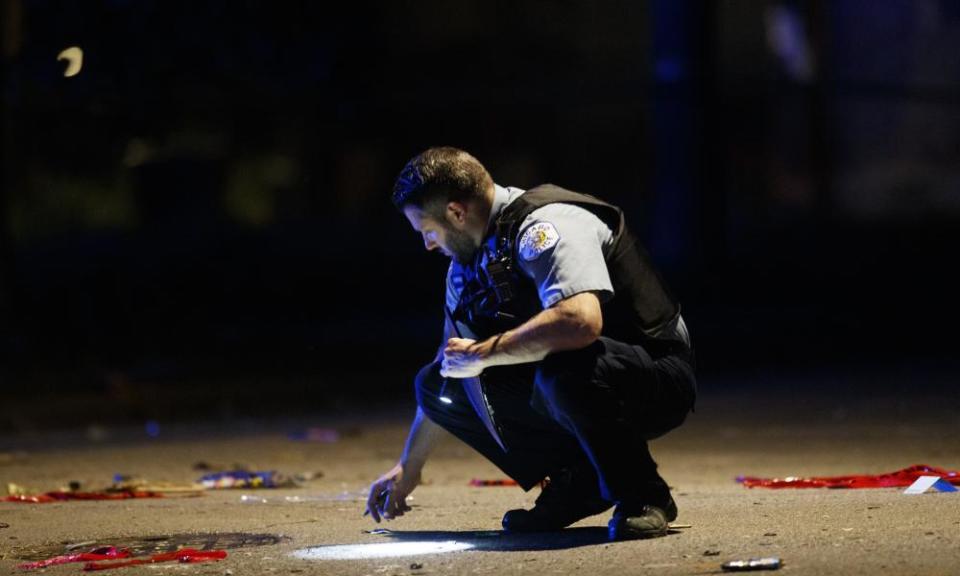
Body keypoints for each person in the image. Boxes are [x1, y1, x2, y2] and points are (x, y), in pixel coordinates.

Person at [365, 147, 696, 541]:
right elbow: (453, 364)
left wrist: (485, 352)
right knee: (438, 381)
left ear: (456, 213)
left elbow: (580, 322)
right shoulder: (464, 268)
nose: (428, 246)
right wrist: (410, 465)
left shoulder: (547, 225)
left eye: (428, 231)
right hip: (578, 375)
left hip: (655, 372)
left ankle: (644, 496)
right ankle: (580, 480)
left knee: (564, 372)